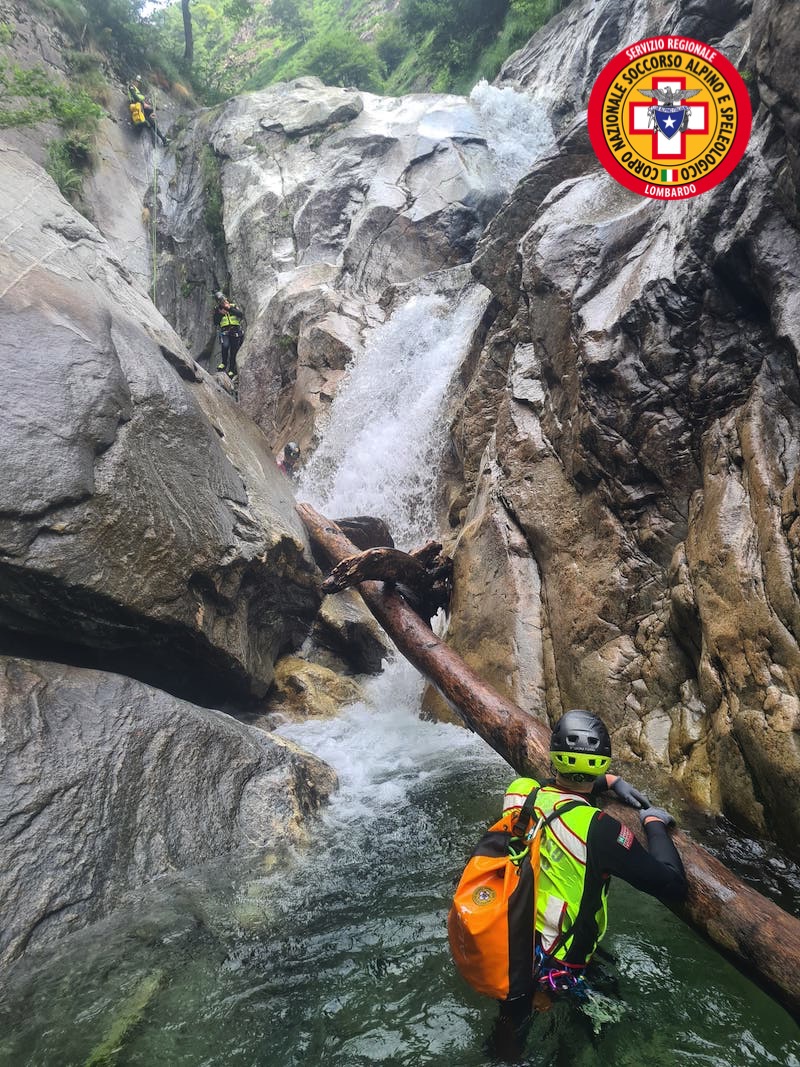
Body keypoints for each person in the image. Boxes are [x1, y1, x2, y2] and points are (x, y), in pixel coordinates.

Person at [491, 708, 687, 1056]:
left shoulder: (521, 794)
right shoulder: (601, 829)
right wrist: (654, 823)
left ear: (553, 757)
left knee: (509, 1038)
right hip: (558, 963)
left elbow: (562, 788)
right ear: (603, 760)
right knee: (605, 1022)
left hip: (513, 942)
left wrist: (609, 783)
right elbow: (672, 885)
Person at [127, 76, 169, 147]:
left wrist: (151, 112)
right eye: (136, 81)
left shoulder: (137, 90)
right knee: (148, 120)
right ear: (134, 81)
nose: (137, 83)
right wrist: (144, 103)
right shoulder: (131, 87)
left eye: (138, 82)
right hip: (137, 106)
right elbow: (134, 96)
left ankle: (163, 139)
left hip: (141, 109)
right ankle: (144, 124)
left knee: (152, 122)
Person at [212, 291, 245, 379]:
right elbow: (215, 322)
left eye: (223, 299)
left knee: (234, 349)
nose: (222, 301)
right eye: (220, 300)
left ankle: (231, 369)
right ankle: (224, 363)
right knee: (225, 346)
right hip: (225, 330)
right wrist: (220, 313)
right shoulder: (217, 309)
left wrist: (229, 308)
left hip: (235, 330)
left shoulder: (232, 306)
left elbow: (240, 314)